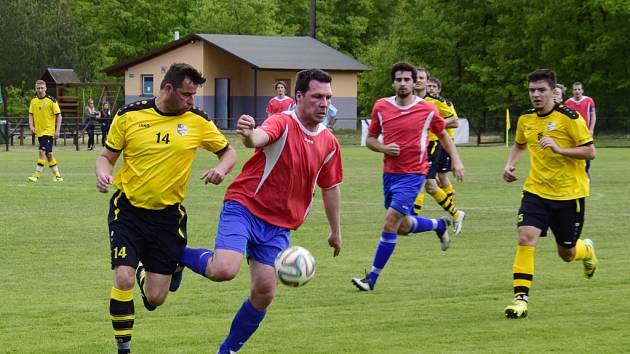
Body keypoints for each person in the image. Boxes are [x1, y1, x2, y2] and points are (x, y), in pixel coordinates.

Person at [178, 68, 343, 353]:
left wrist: (335, 231)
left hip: (279, 225)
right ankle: (172, 251)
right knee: (224, 270)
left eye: (328, 97)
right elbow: (259, 137)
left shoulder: (329, 142)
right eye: (317, 96)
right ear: (299, 97)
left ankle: (226, 350)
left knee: (265, 292)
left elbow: (330, 188)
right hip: (245, 207)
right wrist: (248, 134)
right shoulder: (282, 121)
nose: (324, 103)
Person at [95, 63, 237, 354]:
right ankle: (123, 349)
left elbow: (228, 152)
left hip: (168, 217)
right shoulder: (129, 115)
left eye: (194, 95)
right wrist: (102, 172)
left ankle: (150, 270)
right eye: (187, 95)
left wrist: (221, 170)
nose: (191, 101)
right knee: (122, 276)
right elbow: (107, 157)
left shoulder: (197, 120)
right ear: (168, 89)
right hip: (129, 211)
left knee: (155, 299)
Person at [351, 62, 464, 292]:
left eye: (407, 80)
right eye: (399, 79)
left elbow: (443, 135)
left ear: (414, 82)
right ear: (393, 82)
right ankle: (438, 225)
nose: (403, 84)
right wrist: (383, 148)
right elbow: (371, 139)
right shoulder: (381, 106)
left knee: (390, 222)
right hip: (390, 174)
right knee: (401, 227)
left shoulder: (427, 109)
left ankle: (371, 278)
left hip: (414, 173)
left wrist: (457, 161)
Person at [502, 69, 597, 319]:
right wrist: (510, 164)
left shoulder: (570, 118)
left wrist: (559, 149)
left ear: (553, 92)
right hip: (536, 191)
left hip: (569, 195)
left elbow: (590, 152)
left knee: (566, 253)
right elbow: (520, 144)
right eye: (532, 90)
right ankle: (520, 299)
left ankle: (586, 250)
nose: (536, 95)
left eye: (541, 90)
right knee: (526, 237)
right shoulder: (526, 119)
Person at [412, 69, 466, 234]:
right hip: (417, 146)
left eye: (422, 78)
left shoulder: (435, 101)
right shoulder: (410, 101)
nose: (418, 80)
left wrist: (435, 122)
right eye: (416, 77)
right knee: (431, 185)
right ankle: (456, 214)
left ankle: (414, 217)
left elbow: (454, 121)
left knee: (423, 181)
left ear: (427, 81)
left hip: (433, 145)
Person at [27, 80, 64, 182]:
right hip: (39, 132)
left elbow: (59, 115)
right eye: (38, 88)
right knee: (49, 154)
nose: (40, 90)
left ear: (45, 88)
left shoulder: (51, 101)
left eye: (42, 88)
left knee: (41, 151)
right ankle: (58, 176)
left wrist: (57, 130)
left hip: (48, 131)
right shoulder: (33, 101)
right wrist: (31, 126)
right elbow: (30, 114)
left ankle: (36, 175)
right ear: (35, 89)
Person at [564, 82, 597, 177]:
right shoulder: (568, 102)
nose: (577, 91)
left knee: (587, 152)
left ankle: (586, 171)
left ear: (582, 90)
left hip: (585, 132)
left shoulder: (589, 100)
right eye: (575, 89)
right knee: (574, 152)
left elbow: (593, 115)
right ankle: (574, 172)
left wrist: (591, 129)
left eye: (579, 89)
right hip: (573, 133)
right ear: (572, 91)